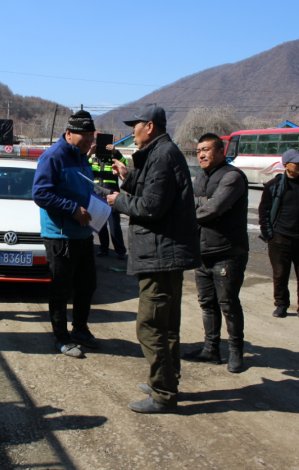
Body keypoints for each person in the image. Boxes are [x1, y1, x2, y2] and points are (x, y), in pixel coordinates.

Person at [107, 104, 201, 413]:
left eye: (135, 126)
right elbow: (153, 193)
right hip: (165, 253)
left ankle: (163, 393)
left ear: (149, 126)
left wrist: (119, 201)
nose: (132, 132)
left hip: (161, 254)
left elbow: (151, 207)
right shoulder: (161, 154)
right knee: (166, 324)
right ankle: (166, 379)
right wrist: (127, 177)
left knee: (150, 325)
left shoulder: (161, 156)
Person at [32, 110, 100, 358]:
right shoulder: (53, 156)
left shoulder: (83, 157)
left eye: (91, 136)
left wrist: (99, 205)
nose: (89, 141)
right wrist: (72, 209)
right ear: (69, 133)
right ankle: (61, 338)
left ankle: (80, 330)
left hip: (84, 234)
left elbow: (83, 190)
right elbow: (40, 193)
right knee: (61, 290)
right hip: (60, 237)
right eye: (85, 136)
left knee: (87, 286)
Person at [182, 133, 249, 373]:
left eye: (207, 150)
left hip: (228, 251)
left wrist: (200, 204)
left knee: (228, 303)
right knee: (207, 303)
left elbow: (213, 209)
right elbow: (189, 203)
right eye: (199, 150)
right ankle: (211, 349)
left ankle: (236, 351)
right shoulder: (201, 177)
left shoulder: (232, 176)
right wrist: (203, 201)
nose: (201, 154)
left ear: (221, 152)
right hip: (203, 250)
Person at [258, 149, 299, 323]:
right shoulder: (273, 185)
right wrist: (269, 234)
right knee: (280, 274)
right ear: (286, 165)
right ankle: (281, 304)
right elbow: (264, 212)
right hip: (280, 238)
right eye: (297, 163)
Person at [87, 143, 128, 260]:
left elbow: (124, 163)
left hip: (112, 197)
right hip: (97, 197)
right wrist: (90, 152)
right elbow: (81, 163)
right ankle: (103, 249)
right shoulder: (92, 160)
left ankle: (120, 251)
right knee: (100, 225)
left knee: (115, 226)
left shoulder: (113, 160)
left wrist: (115, 152)